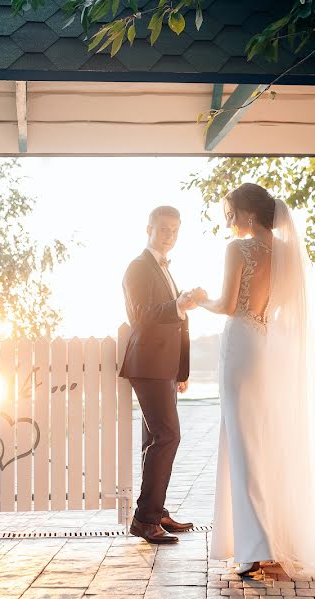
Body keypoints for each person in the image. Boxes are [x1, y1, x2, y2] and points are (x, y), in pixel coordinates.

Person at [191, 183, 315, 577]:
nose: (231, 220)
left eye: (233, 213)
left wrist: (198, 299)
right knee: (265, 441)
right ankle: (274, 540)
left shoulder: (237, 249)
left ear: (249, 214)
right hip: (266, 344)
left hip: (241, 343)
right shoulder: (289, 254)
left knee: (243, 443)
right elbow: (287, 306)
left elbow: (225, 304)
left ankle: (253, 548)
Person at [119, 205, 198, 544]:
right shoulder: (138, 267)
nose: (170, 234)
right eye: (164, 228)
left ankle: (156, 510)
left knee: (156, 439)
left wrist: (181, 370)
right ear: (148, 227)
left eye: (175, 229)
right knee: (168, 436)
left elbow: (176, 325)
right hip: (148, 364)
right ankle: (145, 517)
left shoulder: (164, 267)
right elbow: (141, 315)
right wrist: (179, 305)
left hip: (163, 366)